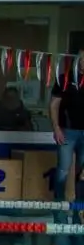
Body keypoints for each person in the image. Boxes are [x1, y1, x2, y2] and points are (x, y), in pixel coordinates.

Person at [50, 49, 84, 202]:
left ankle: (80, 216)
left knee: (82, 173)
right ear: (76, 60)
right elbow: (53, 105)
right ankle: (59, 212)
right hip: (67, 132)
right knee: (63, 171)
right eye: (81, 59)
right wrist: (56, 128)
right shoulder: (64, 79)